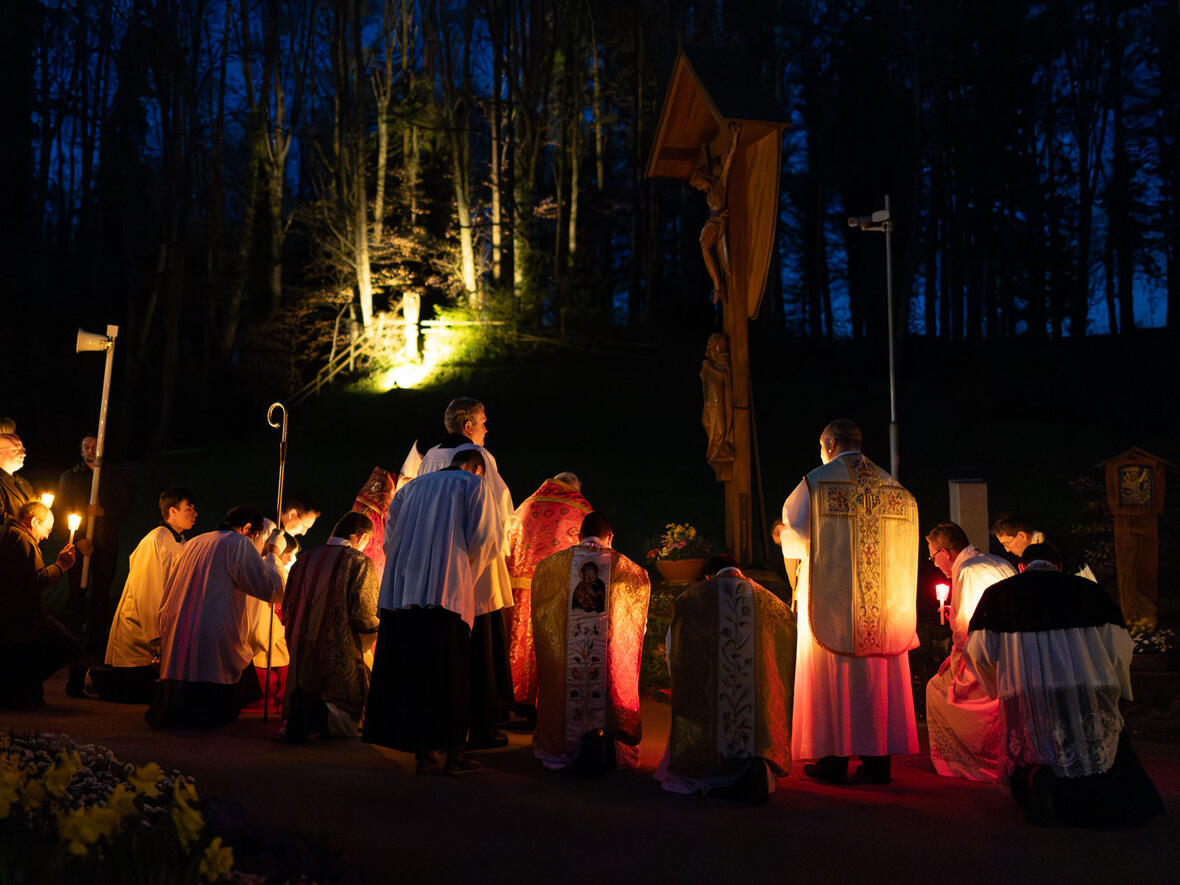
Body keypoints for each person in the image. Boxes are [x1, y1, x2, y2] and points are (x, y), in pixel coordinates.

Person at [965, 544, 1165, 827]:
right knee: (1093, 749)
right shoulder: (1089, 591)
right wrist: (1117, 682)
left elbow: (979, 651)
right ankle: (1091, 806)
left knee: (1038, 746)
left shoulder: (998, 595)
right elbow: (1119, 644)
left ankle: (1039, 779)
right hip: (1087, 686)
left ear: (1022, 566)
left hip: (1029, 689)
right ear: (1057, 565)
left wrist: (995, 684)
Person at [777, 419, 919, 785]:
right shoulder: (896, 488)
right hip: (885, 607)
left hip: (833, 601)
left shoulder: (817, 482)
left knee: (833, 678)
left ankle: (833, 761)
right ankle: (878, 764)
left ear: (829, 443)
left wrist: (783, 538)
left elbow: (794, 529)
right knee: (876, 681)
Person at [363, 449, 501, 775]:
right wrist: (464, 575)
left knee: (416, 676)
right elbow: (485, 540)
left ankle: (424, 754)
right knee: (450, 676)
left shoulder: (408, 489)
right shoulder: (473, 485)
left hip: (403, 596)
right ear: (477, 468)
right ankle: (454, 755)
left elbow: (390, 538)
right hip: (446, 596)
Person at [412, 397, 516, 750]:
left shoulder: (428, 457)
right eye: (483, 422)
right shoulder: (479, 458)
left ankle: (440, 727)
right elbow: (497, 514)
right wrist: (485, 560)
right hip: (475, 563)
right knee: (481, 645)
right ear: (468, 426)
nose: (487, 428)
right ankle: (482, 725)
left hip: (430, 564)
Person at [655, 554, 795, 803]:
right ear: (738, 570)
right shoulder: (769, 602)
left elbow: (674, 652)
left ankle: (716, 772)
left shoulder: (692, 599)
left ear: (710, 575)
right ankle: (756, 768)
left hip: (711, 701)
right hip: (753, 701)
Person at [531, 512, 651, 774]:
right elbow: (633, 626)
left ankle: (562, 744)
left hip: (568, 662)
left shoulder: (550, 567)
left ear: (579, 535)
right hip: (603, 657)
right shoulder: (630, 571)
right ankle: (611, 748)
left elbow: (544, 621)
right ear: (610, 537)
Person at [145, 506, 284, 728]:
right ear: (249, 529)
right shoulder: (238, 543)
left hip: (180, 625)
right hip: (214, 629)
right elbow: (271, 589)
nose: (259, 547)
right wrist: (274, 555)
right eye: (259, 539)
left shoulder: (194, 542)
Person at [78, 488, 198, 702]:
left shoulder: (180, 542)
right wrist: (155, 634)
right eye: (189, 508)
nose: (194, 513)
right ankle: (87, 678)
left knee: (152, 688)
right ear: (172, 511)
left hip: (159, 624)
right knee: (136, 689)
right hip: (140, 625)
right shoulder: (156, 540)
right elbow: (148, 589)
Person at [924, 522, 1016, 782]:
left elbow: (967, 630)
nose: (934, 564)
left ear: (946, 552)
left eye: (933, 557)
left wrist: (955, 660)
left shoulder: (966, 570)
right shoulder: (998, 561)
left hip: (988, 659)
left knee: (936, 689)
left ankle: (969, 761)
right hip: (1015, 655)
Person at [282, 512, 380, 742]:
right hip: (337, 646)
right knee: (346, 710)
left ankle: (300, 711)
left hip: (300, 642)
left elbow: (287, 607)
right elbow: (363, 614)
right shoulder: (358, 561)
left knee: (304, 687)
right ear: (360, 536)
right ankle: (317, 716)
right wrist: (376, 629)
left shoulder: (305, 558)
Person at [504, 472, 591, 723]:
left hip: (519, 590)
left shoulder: (527, 505)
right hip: (555, 588)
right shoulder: (580, 507)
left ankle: (517, 700)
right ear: (575, 488)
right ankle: (545, 704)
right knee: (550, 644)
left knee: (519, 644)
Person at [58, 434, 132, 654]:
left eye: (94, 446)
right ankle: (71, 639)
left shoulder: (113, 477)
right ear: (81, 451)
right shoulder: (70, 478)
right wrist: (79, 538)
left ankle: (96, 642)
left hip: (106, 542)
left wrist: (104, 512)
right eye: (86, 447)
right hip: (81, 543)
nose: (90, 450)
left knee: (101, 591)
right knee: (77, 591)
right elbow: (63, 509)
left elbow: (125, 505)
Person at [0, 502, 78, 705]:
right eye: (48, 529)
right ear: (34, 520)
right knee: (65, 644)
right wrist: (61, 566)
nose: (47, 536)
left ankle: (24, 690)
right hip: (20, 617)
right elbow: (33, 581)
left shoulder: (13, 535)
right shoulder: (20, 539)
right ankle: (21, 689)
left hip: (17, 615)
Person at [990, 513, 1097, 582]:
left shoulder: (1054, 552)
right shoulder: (1019, 558)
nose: (1006, 549)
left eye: (1007, 543)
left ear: (1022, 536)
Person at [0, 433, 35, 525]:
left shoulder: (23, 483)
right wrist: (25, 523)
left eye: (23, 449)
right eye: (15, 450)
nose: (23, 454)